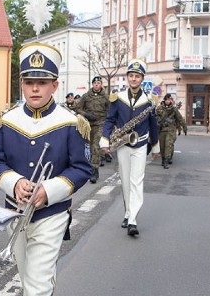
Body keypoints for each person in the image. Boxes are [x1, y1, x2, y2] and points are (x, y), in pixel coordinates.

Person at [0, 40, 92, 296]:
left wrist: (51, 189)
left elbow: (81, 168)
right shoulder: (6, 121)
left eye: (42, 82)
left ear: (54, 85)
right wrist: (14, 183)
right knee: (29, 277)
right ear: (22, 83)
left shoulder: (70, 123)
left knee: (37, 284)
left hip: (51, 215)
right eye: (29, 80)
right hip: (15, 213)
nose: (34, 88)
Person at [100, 59, 160, 237]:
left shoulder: (149, 100)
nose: (134, 79)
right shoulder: (118, 97)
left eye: (137, 76)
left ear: (142, 79)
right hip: (122, 143)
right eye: (131, 76)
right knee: (125, 181)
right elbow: (110, 119)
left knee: (136, 181)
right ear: (127, 78)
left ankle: (133, 219)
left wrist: (155, 146)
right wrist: (105, 140)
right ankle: (127, 213)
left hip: (140, 144)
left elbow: (153, 124)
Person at [75, 75, 110, 183]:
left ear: (101, 84)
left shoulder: (106, 97)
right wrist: (87, 114)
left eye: (98, 83)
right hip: (88, 124)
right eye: (95, 83)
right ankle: (87, 168)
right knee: (88, 147)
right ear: (92, 84)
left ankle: (95, 170)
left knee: (95, 146)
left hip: (100, 124)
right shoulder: (86, 96)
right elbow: (78, 108)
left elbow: (110, 111)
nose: (96, 85)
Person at [155, 93, 186, 169]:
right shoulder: (159, 108)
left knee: (168, 145)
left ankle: (166, 161)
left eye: (170, 99)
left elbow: (179, 119)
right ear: (165, 100)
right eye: (168, 99)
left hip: (171, 130)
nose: (169, 101)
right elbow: (156, 118)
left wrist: (184, 128)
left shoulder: (174, 109)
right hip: (162, 130)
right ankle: (163, 159)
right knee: (162, 146)